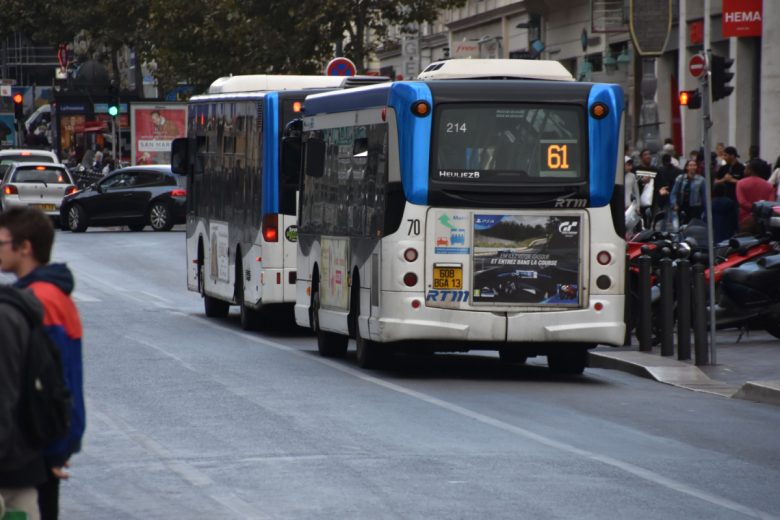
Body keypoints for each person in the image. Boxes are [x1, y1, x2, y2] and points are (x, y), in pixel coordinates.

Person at [0, 207, 85, 520]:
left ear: (25, 248)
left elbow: (49, 378)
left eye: (2, 243)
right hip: (48, 436)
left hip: (38, 442)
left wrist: (55, 444)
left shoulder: (39, 300)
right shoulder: (49, 294)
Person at [0, 286, 47, 520]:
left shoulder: (5, 318)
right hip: (21, 465)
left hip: (10, 471)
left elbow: (4, 396)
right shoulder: (16, 309)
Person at [736, 159, 775, 225]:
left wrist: (754, 209)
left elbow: (742, 202)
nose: (744, 170)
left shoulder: (740, 183)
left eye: (746, 168)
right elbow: (771, 204)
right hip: (764, 220)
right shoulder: (769, 186)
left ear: (751, 170)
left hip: (745, 219)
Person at [670, 159, 706, 225]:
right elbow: (674, 192)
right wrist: (674, 203)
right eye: (690, 165)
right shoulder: (680, 178)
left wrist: (705, 210)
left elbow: (704, 196)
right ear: (687, 167)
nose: (692, 167)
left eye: (694, 165)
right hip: (682, 206)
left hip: (695, 208)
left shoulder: (701, 180)